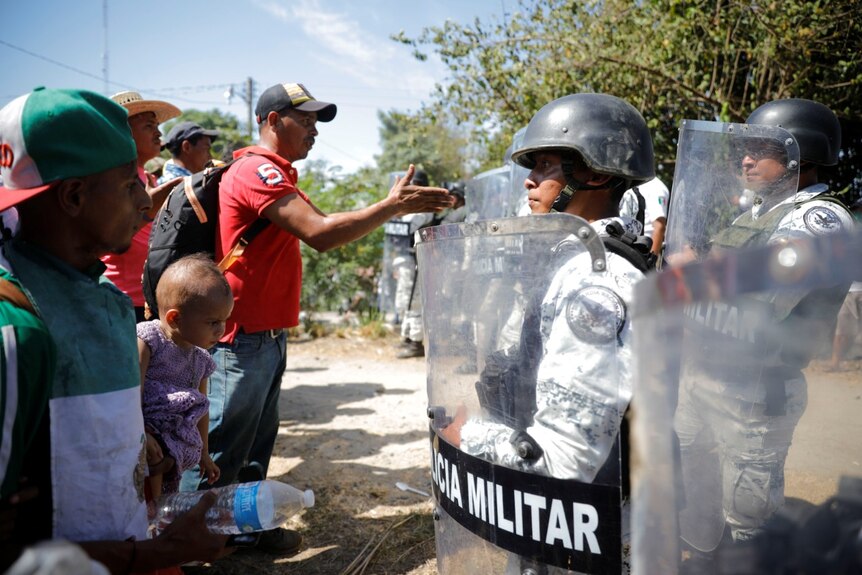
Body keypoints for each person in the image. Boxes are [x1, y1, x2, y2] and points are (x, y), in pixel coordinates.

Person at [178, 82, 453, 553]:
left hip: (266, 336)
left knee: (254, 446)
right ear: (270, 121)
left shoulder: (280, 175)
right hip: (240, 338)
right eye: (303, 120)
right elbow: (321, 235)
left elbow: (329, 227)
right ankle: (182, 541)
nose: (313, 131)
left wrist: (387, 207)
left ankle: (243, 528)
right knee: (220, 445)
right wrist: (391, 207)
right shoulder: (254, 170)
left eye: (315, 123)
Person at [0, 87, 228, 572]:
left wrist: (135, 447)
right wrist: (152, 554)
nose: (145, 204)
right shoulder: (16, 328)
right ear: (74, 196)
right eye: (129, 186)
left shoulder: (98, 296)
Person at [439, 93, 656, 573]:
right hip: (560, 518)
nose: (531, 179)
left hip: (581, 528)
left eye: (546, 165)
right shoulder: (569, 257)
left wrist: (468, 437)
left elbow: (565, 459)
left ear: (595, 174)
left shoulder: (596, 279)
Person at [672, 98, 855, 557]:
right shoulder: (754, 214)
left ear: (800, 156)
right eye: (745, 150)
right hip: (707, 376)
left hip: (755, 393)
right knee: (692, 493)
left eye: (761, 150)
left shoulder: (820, 220)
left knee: (748, 520)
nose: (746, 160)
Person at [138, 254, 232, 501]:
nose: (221, 330)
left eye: (224, 321)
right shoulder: (148, 340)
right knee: (154, 464)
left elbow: (200, 407)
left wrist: (204, 453)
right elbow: (131, 394)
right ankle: (155, 512)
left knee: (170, 473)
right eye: (213, 322)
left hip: (175, 436)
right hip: (144, 430)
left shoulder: (200, 359)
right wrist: (140, 432)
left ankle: (161, 512)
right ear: (175, 318)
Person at [104, 90, 183, 322]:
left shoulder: (147, 179)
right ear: (123, 132)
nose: (159, 134)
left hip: (148, 299)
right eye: (149, 126)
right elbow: (112, 237)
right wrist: (149, 209)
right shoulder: (111, 180)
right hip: (121, 300)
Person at [619, 176, 669, 255]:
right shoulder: (628, 182)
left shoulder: (656, 186)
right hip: (624, 246)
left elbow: (659, 226)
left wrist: (650, 260)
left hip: (641, 251)